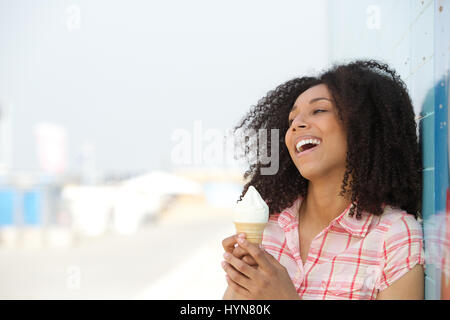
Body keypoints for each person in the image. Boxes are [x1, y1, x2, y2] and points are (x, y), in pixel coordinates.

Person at [221, 60, 425, 300]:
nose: (297, 124)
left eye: (319, 110)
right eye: (291, 120)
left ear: (364, 125)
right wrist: (239, 281)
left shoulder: (394, 237)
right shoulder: (270, 224)